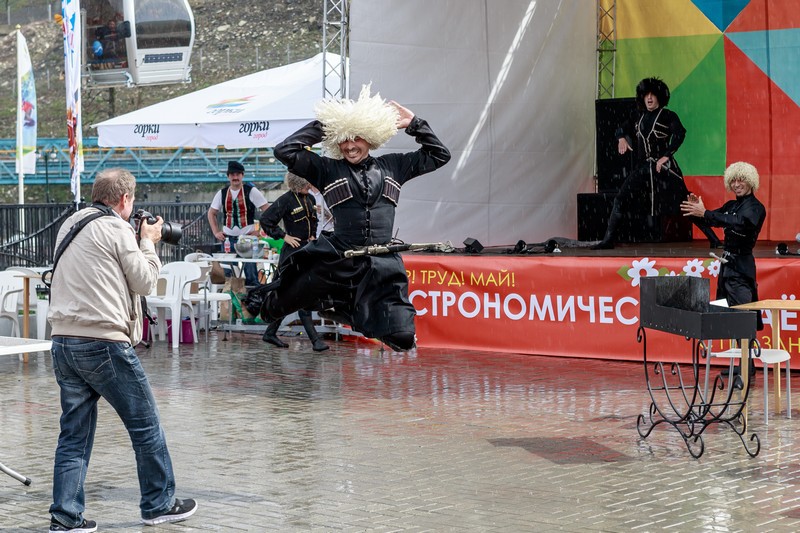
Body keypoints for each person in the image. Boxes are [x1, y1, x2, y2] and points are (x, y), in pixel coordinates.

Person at [47, 168, 197, 532]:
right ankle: (159, 504)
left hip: (64, 341)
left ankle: (66, 517)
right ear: (125, 199)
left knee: (74, 435)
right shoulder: (115, 228)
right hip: (103, 343)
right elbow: (145, 282)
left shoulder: (70, 225)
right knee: (146, 426)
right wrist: (148, 241)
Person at [263, 85, 451, 351]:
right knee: (270, 309)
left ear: (371, 138)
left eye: (357, 138)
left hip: (382, 266)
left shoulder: (394, 165)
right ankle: (331, 307)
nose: (350, 146)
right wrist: (325, 126)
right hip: (337, 261)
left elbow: (439, 155)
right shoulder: (326, 169)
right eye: (344, 139)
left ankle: (352, 315)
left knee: (403, 338)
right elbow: (285, 151)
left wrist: (415, 124)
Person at [593, 77, 720, 249]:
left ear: (660, 97)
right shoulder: (638, 116)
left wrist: (666, 155)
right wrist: (621, 138)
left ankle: (714, 240)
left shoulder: (668, 116)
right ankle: (608, 240)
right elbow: (621, 128)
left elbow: (680, 134)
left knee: (685, 205)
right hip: (642, 169)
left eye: (653, 95)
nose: (649, 98)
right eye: (646, 95)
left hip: (664, 169)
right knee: (620, 199)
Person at [681, 161, 766, 327]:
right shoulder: (731, 205)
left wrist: (706, 213)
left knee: (742, 314)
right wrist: (697, 211)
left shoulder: (756, 207)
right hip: (726, 267)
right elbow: (710, 220)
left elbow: (741, 223)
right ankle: (734, 342)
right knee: (723, 312)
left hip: (741, 268)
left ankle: (745, 343)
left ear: (750, 181)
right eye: (733, 181)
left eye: (741, 180)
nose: (736, 184)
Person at [259, 172, 328, 352]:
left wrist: (312, 235)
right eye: (305, 185)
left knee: (292, 294)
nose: (308, 187)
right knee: (297, 293)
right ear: (296, 185)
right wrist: (284, 236)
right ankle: (315, 340)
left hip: (307, 250)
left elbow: (313, 221)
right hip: (292, 252)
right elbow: (266, 220)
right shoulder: (286, 200)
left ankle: (270, 332)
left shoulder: (310, 199)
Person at [207, 160, 269, 287]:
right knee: (229, 274)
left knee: (251, 273)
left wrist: (260, 230)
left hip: (248, 239)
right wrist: (216, 232)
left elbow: (268, 210)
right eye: (232, 174)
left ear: (242, 175)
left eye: (238, 174)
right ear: (228, 176)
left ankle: (253, 297)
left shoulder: (251, 191)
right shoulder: (222, 193)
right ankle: (231, 298)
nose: (235, 177)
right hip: (228, 239)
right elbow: (211, 213)